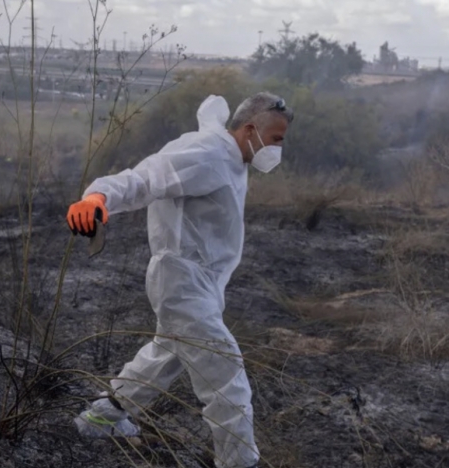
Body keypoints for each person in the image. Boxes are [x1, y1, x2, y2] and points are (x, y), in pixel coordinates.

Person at [66, 92, 293, 468]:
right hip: (182, 282)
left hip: (200, 283)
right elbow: (145, 178)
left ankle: (103, 415)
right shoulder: (207, 153)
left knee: (165, 355)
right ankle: (240, 463)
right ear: (251, 129)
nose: (278, 150)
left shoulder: (232, 158)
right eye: (276, 139)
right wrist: (99, 196)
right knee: (225, 373)